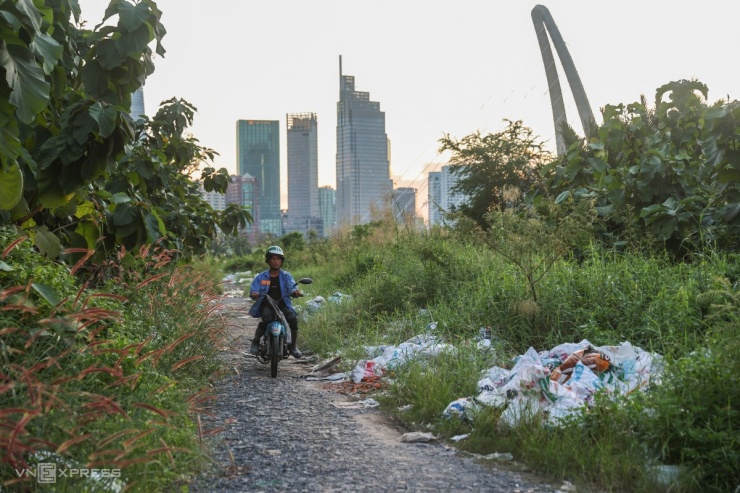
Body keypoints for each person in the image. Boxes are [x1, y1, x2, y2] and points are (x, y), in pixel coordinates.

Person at [248, 245, 303, 358]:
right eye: (273, 259)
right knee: (266, 319)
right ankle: (256, 341)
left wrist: (295, 292)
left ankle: (293, 346)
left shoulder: (286, 276)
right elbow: (254, 289)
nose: (275, 261)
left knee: (292, 319)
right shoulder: (261, 277)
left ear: (281, 261)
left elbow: (292, 287)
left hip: (283, 304)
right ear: (268, 260)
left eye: (278, 259)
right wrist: (254, 293)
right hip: (267, 304)